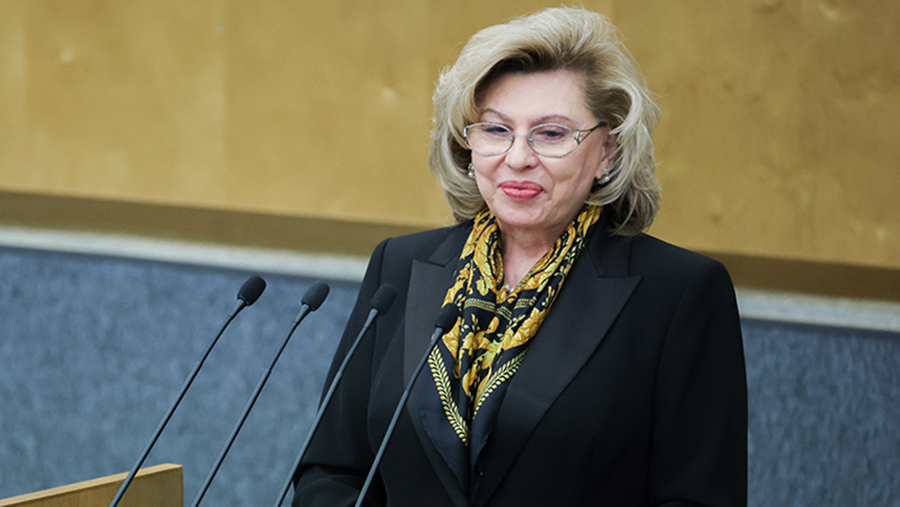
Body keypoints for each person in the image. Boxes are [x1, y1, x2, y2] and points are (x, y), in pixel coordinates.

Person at [293, 7, 747, 507]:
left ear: (607, 152)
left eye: (551, 134)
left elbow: (699, 498)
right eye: (495, 130)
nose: (517, 158)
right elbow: (331, 472)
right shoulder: (399, 265)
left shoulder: (679, 293)